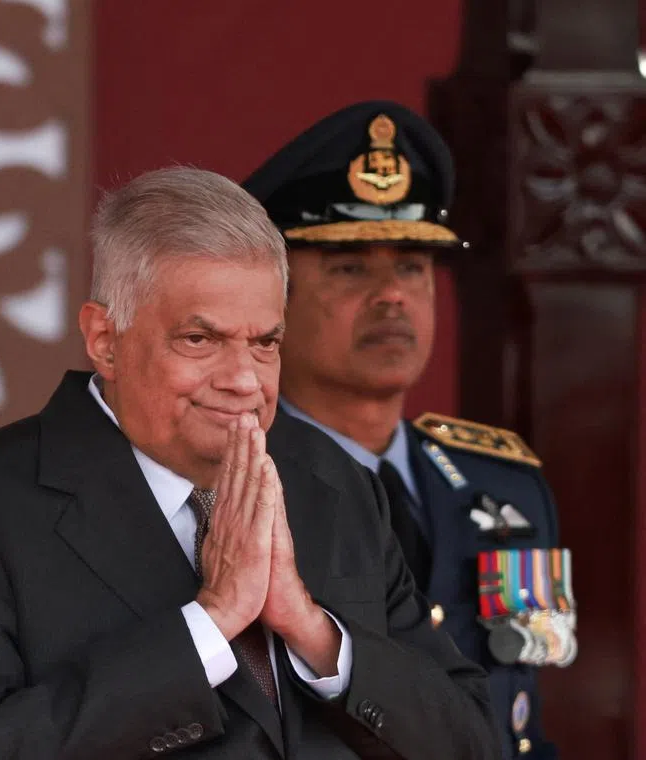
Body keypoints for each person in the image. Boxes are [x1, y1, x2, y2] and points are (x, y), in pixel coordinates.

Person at [0, 165, 498, 758]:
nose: (244, 380)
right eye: (200, 340)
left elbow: (471, 740)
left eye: (264, 343)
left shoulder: (334, 478)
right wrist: (210, 623)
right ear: (105, 340)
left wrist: (314, 632)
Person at [241, 100, 573, 759]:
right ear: (272, 300)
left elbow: (522, 721)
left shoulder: (502, 483)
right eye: (350, 266)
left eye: (413, 266)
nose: (392, 294)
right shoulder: (233, 483)